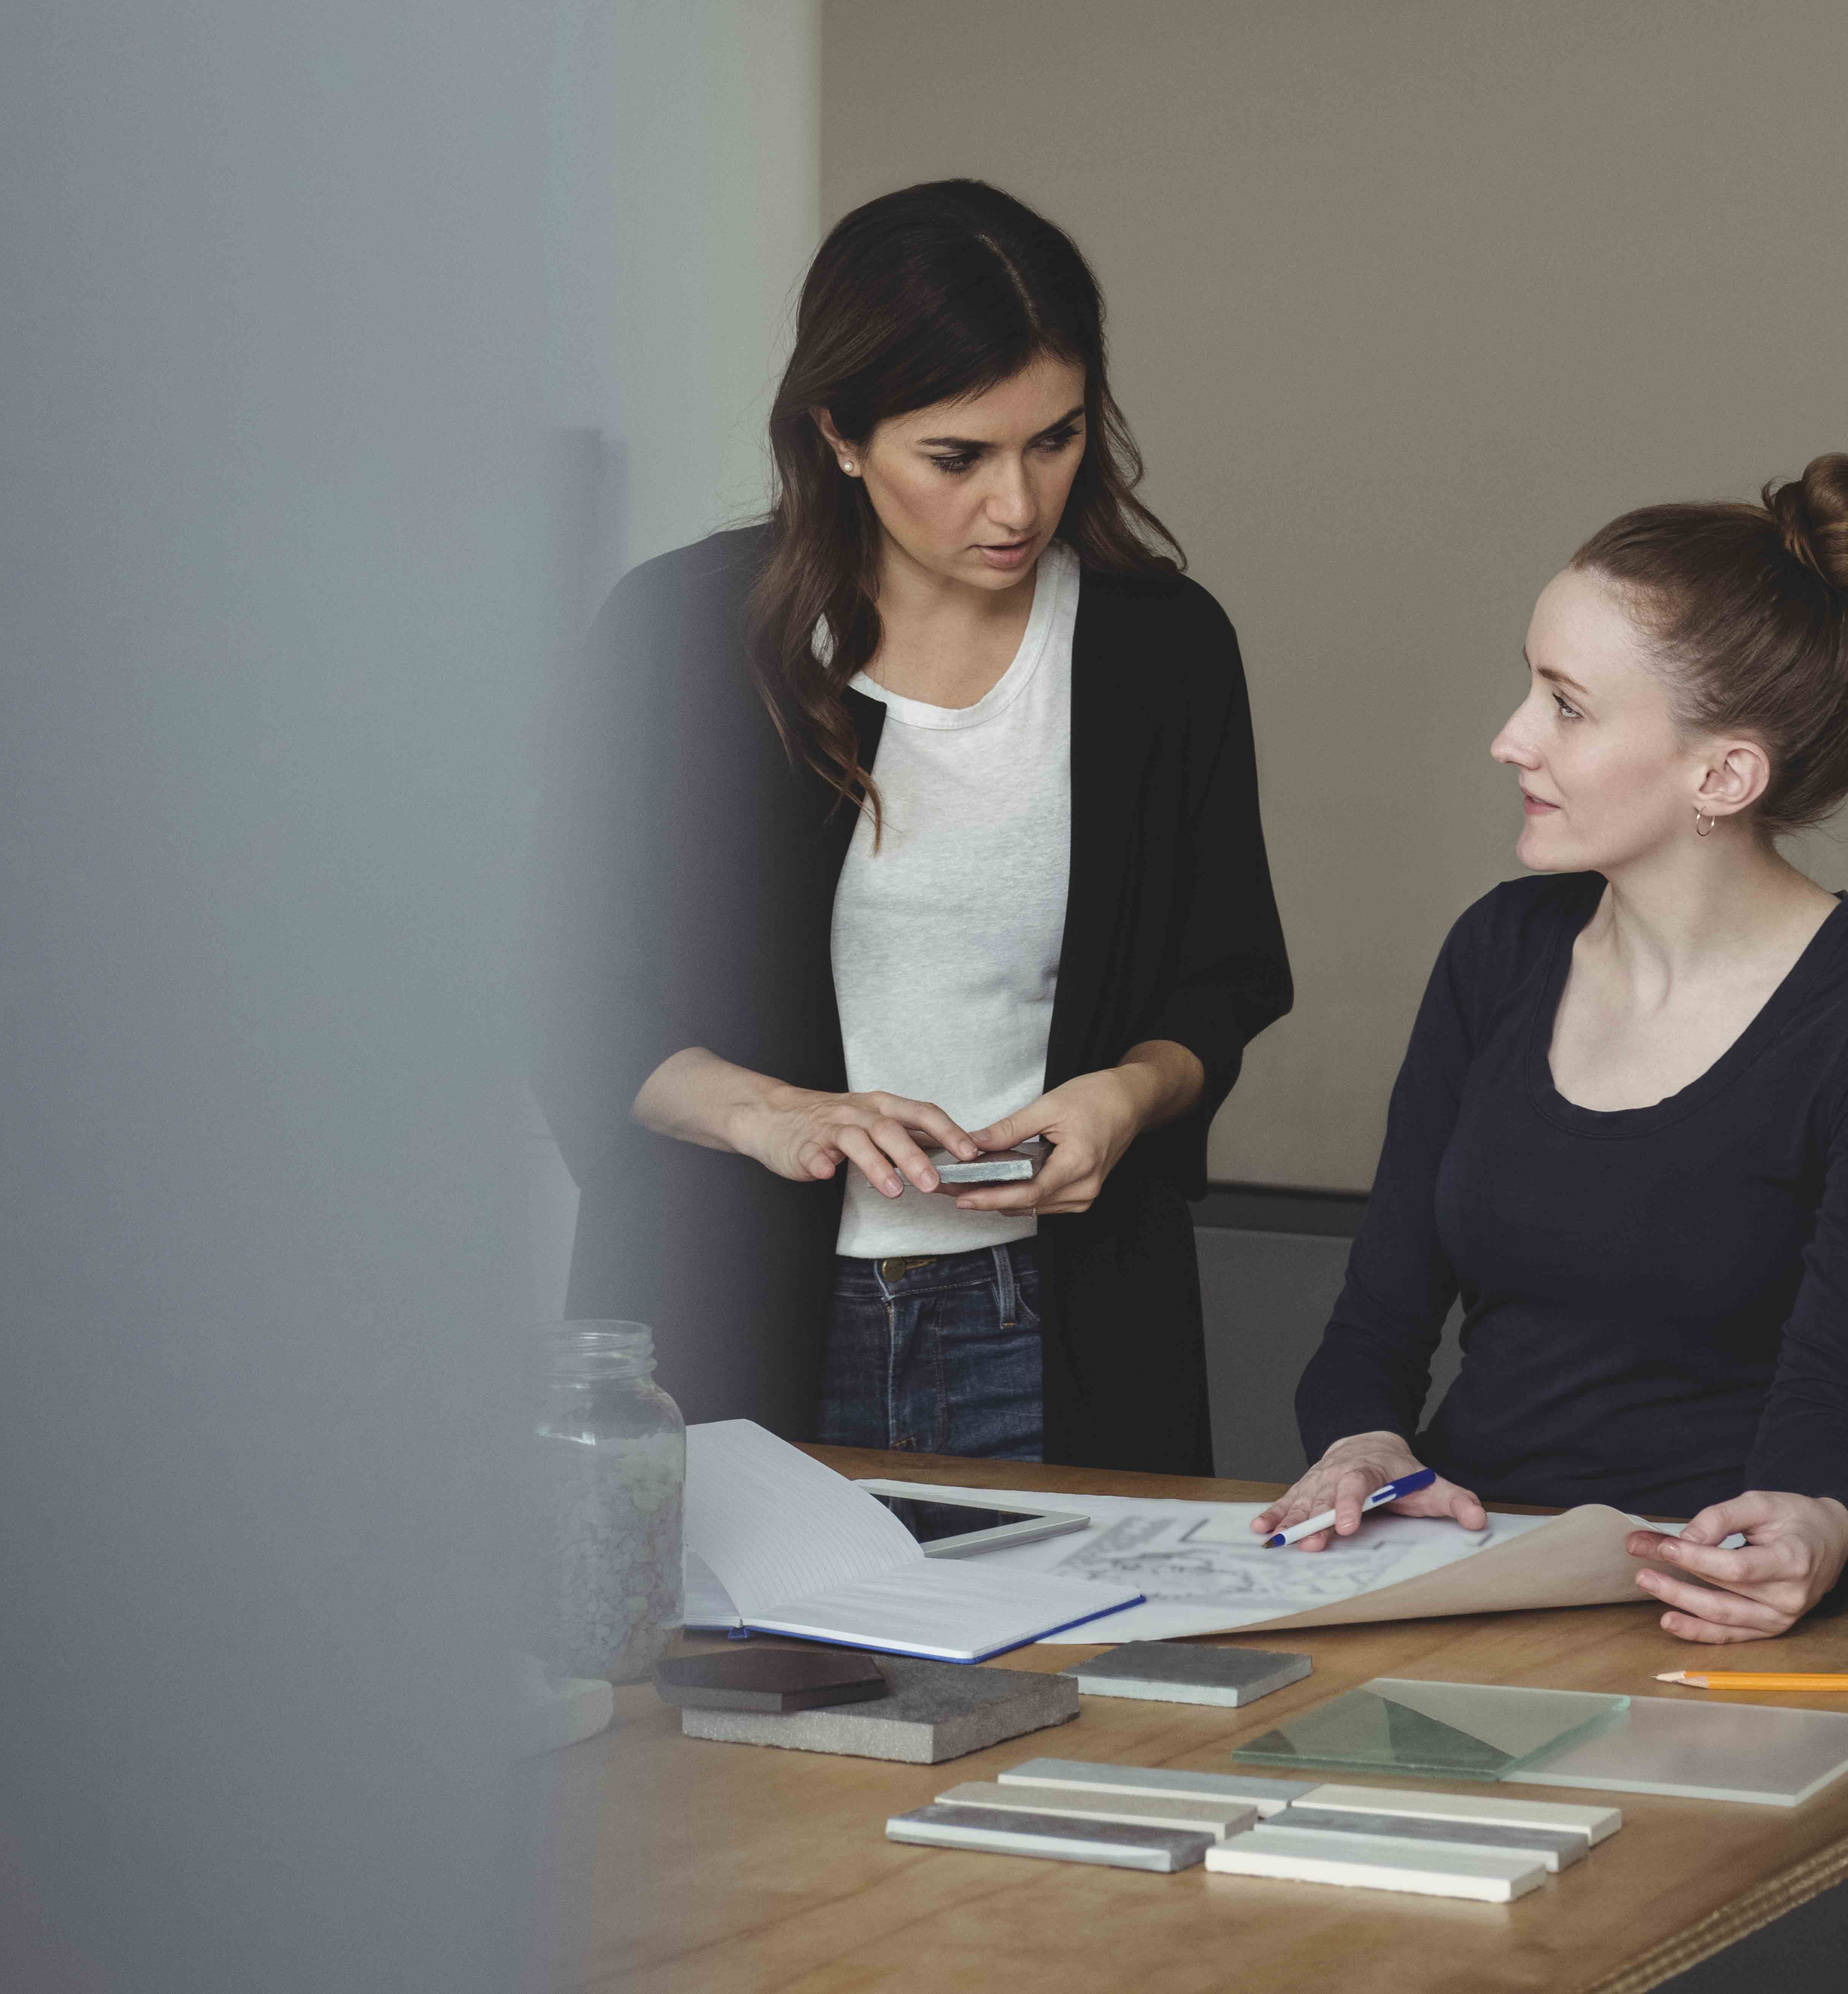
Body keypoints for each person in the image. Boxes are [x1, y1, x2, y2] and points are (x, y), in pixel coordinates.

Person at [535, 180, 1290, 1473]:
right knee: (718, 1615)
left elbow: (1221, 982)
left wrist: (1127, 1094)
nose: (1017, 505)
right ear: (838, 432)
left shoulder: (1164, 648)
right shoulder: (681, 638)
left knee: (1072, 1615)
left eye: (1055, 440)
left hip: (1055, 1315)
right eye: (957, 457)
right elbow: (565, 993)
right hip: (732, 1313)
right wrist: (772, 1114)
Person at [1255, 455, 1848, 1642]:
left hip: (1701, 1599)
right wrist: (1360, 1447)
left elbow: (1831, 1390)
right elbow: (1375, 1323)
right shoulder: (1498, 949)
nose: (1508, 738)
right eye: (1527, 688)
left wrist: (1809, 1523)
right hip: (1462, 1574)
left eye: (1566, 705)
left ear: (1722, 773)